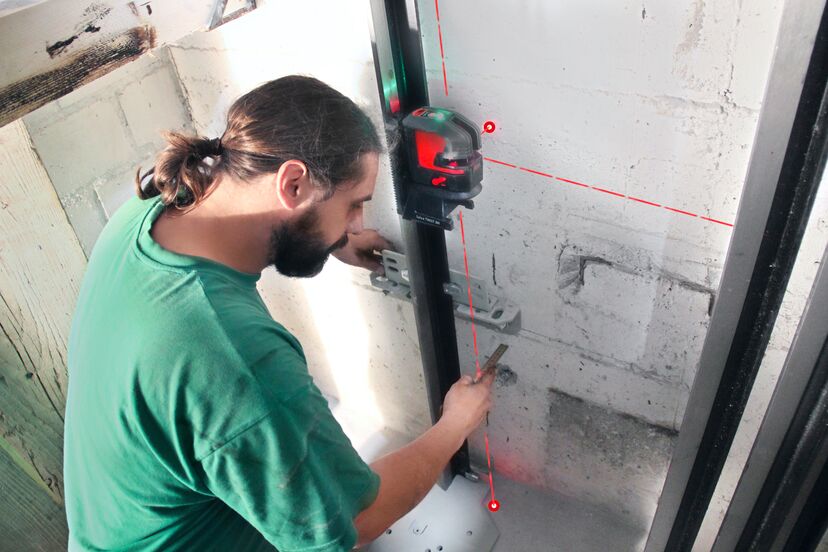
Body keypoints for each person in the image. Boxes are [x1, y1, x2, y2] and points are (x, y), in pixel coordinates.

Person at [64, 74, 495, 551]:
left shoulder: (147, 213)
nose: (357, 223)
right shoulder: (237, 361)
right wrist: (455, 425)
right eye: (353, 206)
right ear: (292, 184)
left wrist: (331, 237)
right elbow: (357, 521)